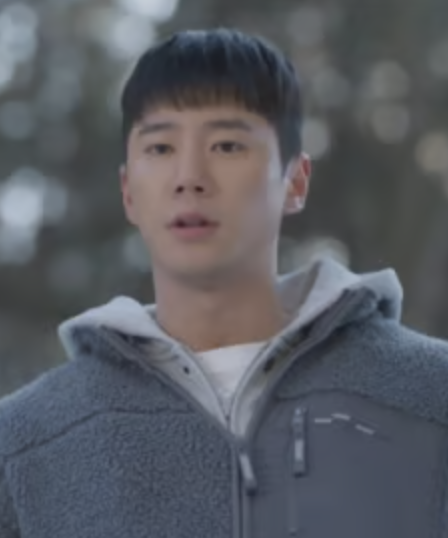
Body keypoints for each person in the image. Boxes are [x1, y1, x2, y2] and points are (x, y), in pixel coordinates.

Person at [1, 27, 448, 538]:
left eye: (227, 145)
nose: (189, 176)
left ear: (295, 180)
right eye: (160, 147)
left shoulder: (431, 395)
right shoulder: (25, 444)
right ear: (128, 192)